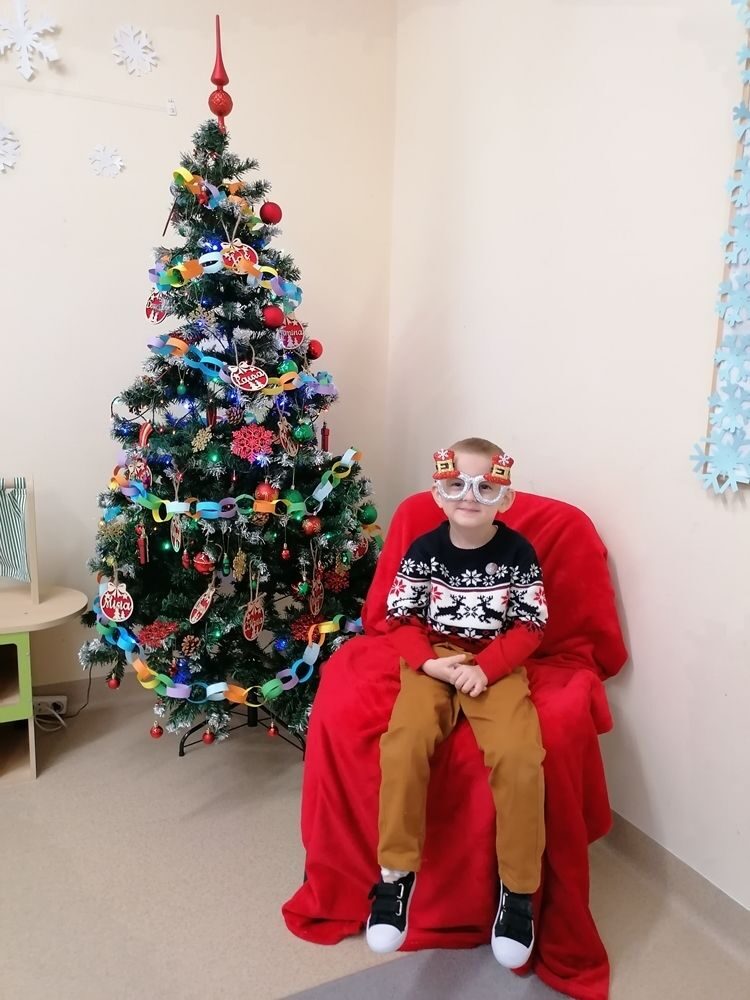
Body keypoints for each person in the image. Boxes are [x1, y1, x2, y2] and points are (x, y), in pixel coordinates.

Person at [366, 438, 548, 969]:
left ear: (504, 499)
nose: (469, 497)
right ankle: (395, 876)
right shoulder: (423, 550)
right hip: (434, 657)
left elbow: (531, 626)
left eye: (485, 488)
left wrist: (487, 669)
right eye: (456, 486)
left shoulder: (519, 554)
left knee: (519, 756)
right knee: (404, 743)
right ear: (438, 494)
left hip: (495, 660)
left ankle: (518, 891)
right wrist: (428, 664)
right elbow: (399, 617)